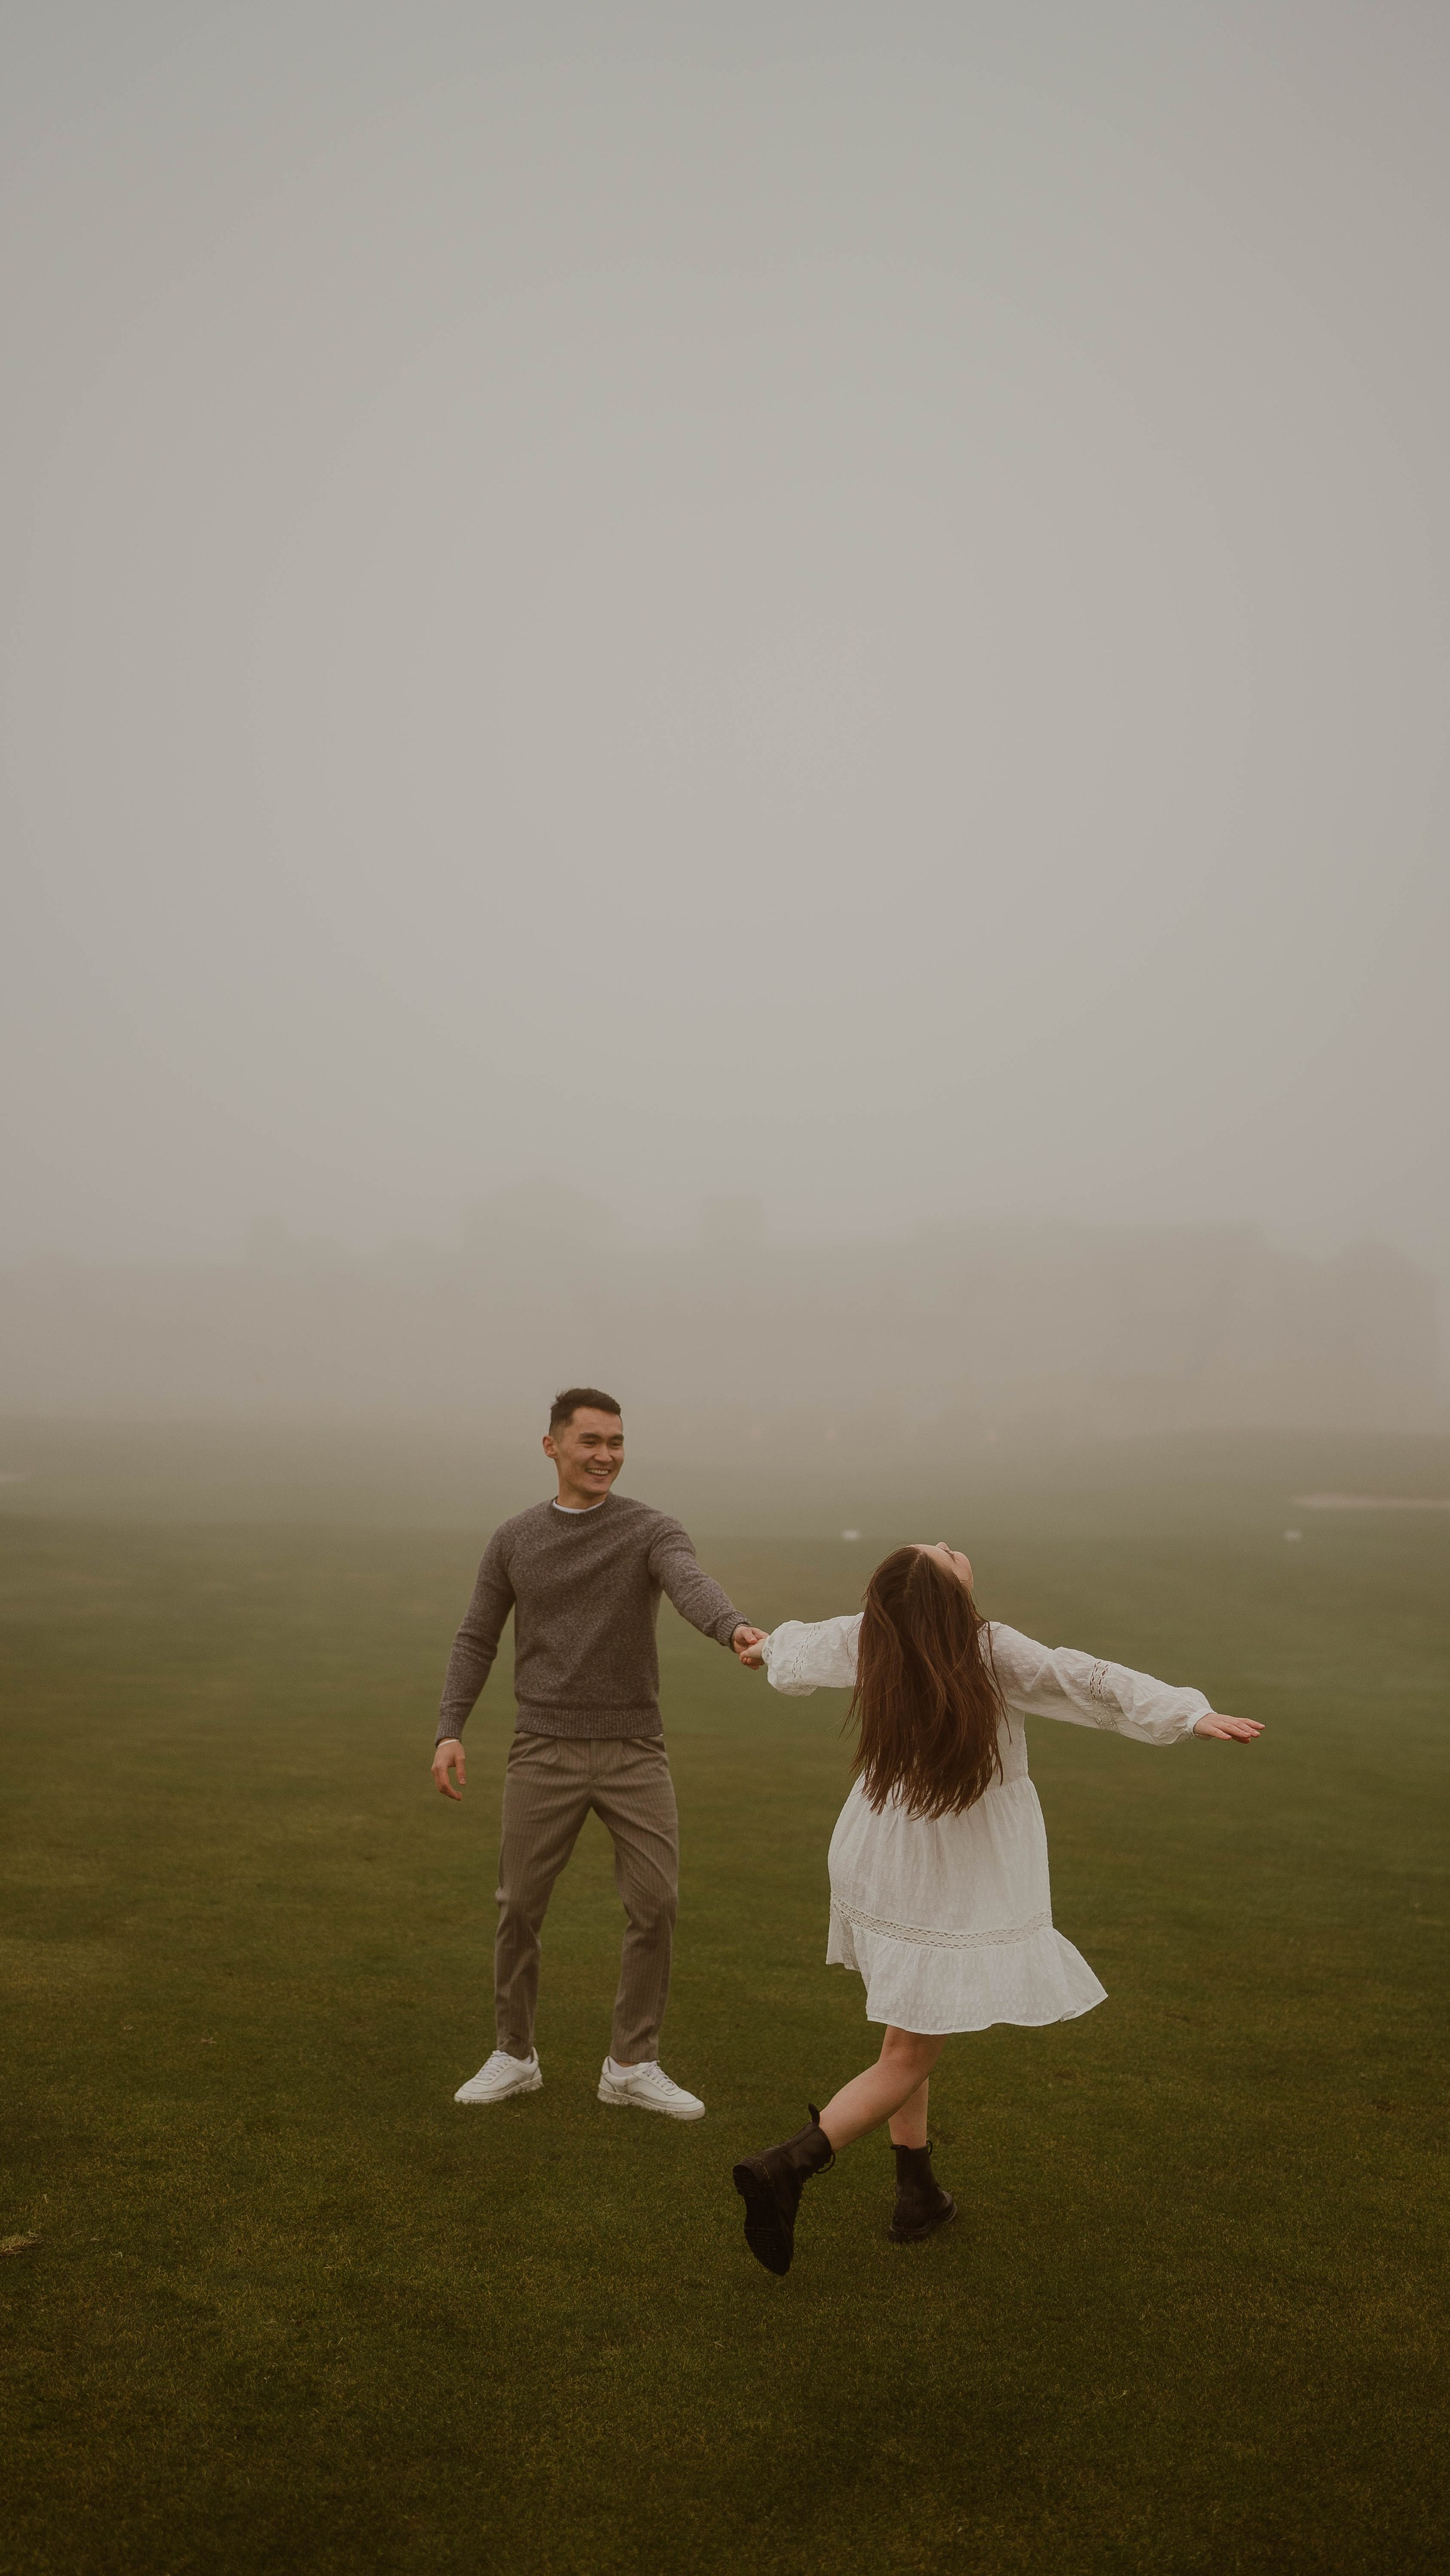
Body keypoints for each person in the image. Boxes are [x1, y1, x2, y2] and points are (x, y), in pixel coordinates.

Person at [731, 1541, 1262, 2274]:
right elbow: (1087, 1680)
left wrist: (765, 1651)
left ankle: (916, 2189)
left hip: (878, 1854)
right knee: (914, 2047)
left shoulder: (870, 1637)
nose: (951, 1545)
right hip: (949, 1869)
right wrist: (1187, 1713)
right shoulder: (989, 1648)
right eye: (942, 1553)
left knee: (913, 2015)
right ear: (950, 1599)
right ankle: (789, 2165)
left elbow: (803, 1649)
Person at [434, 1387, 764, 2119]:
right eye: (590, 1441)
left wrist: (731, 1626)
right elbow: (476, 1636)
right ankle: (513, 2054)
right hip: (542, 1749)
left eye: (615, 1442)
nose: (605, 1456)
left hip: (632, 1750)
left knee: (657, 1903)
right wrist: (450, 1726)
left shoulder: (650, 1528)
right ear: (551, 1445)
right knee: (519, 1905)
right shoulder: (514, 1538)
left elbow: (688, 1582)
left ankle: (631, 2062)